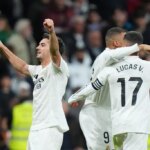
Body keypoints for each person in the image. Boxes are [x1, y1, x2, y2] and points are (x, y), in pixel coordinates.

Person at [68, 31, 150, 150]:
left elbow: (93, 86)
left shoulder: (111, 68)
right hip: (133, 123)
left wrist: (74, 97)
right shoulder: (146, 66)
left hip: (117, 124)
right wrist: (140, 47)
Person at [0, 19, 69, 150]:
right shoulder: (37, 70)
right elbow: (22, 67)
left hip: (50, 127)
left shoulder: (59, 68)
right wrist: (2, 47)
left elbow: (55, 52)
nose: (38, 47)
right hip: (36, 128)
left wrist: (52, 31)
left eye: (43, 45)